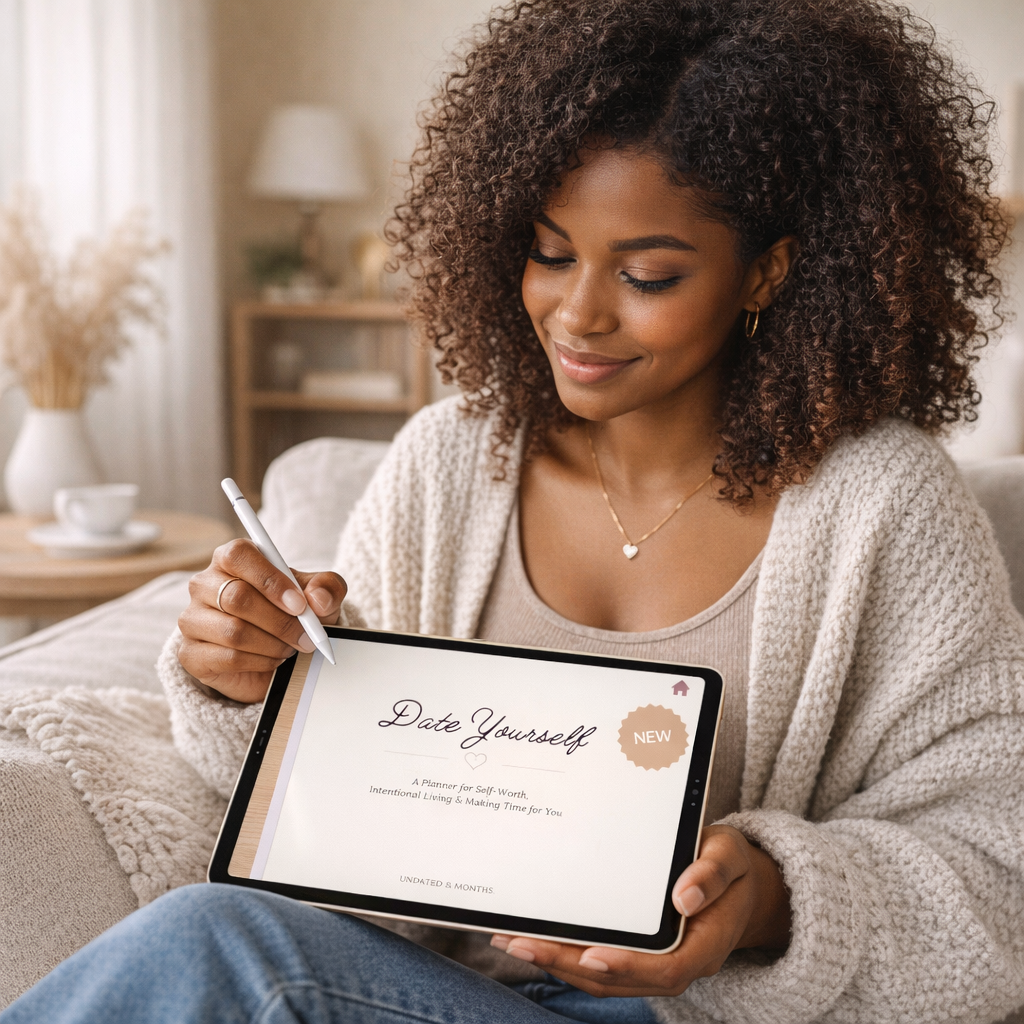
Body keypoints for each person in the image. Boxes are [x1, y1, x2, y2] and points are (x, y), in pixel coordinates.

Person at [5, 0, 1024, 1021]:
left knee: (222, 944)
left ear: (768, 271)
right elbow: (329, 815)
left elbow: (998, 869)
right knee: (226, 937)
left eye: (647, 275)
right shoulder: (450, 462)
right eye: (550, 253)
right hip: (425, 995)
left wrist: (768, 899)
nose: (577, 314)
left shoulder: (884, 508)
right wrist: (252, 681)